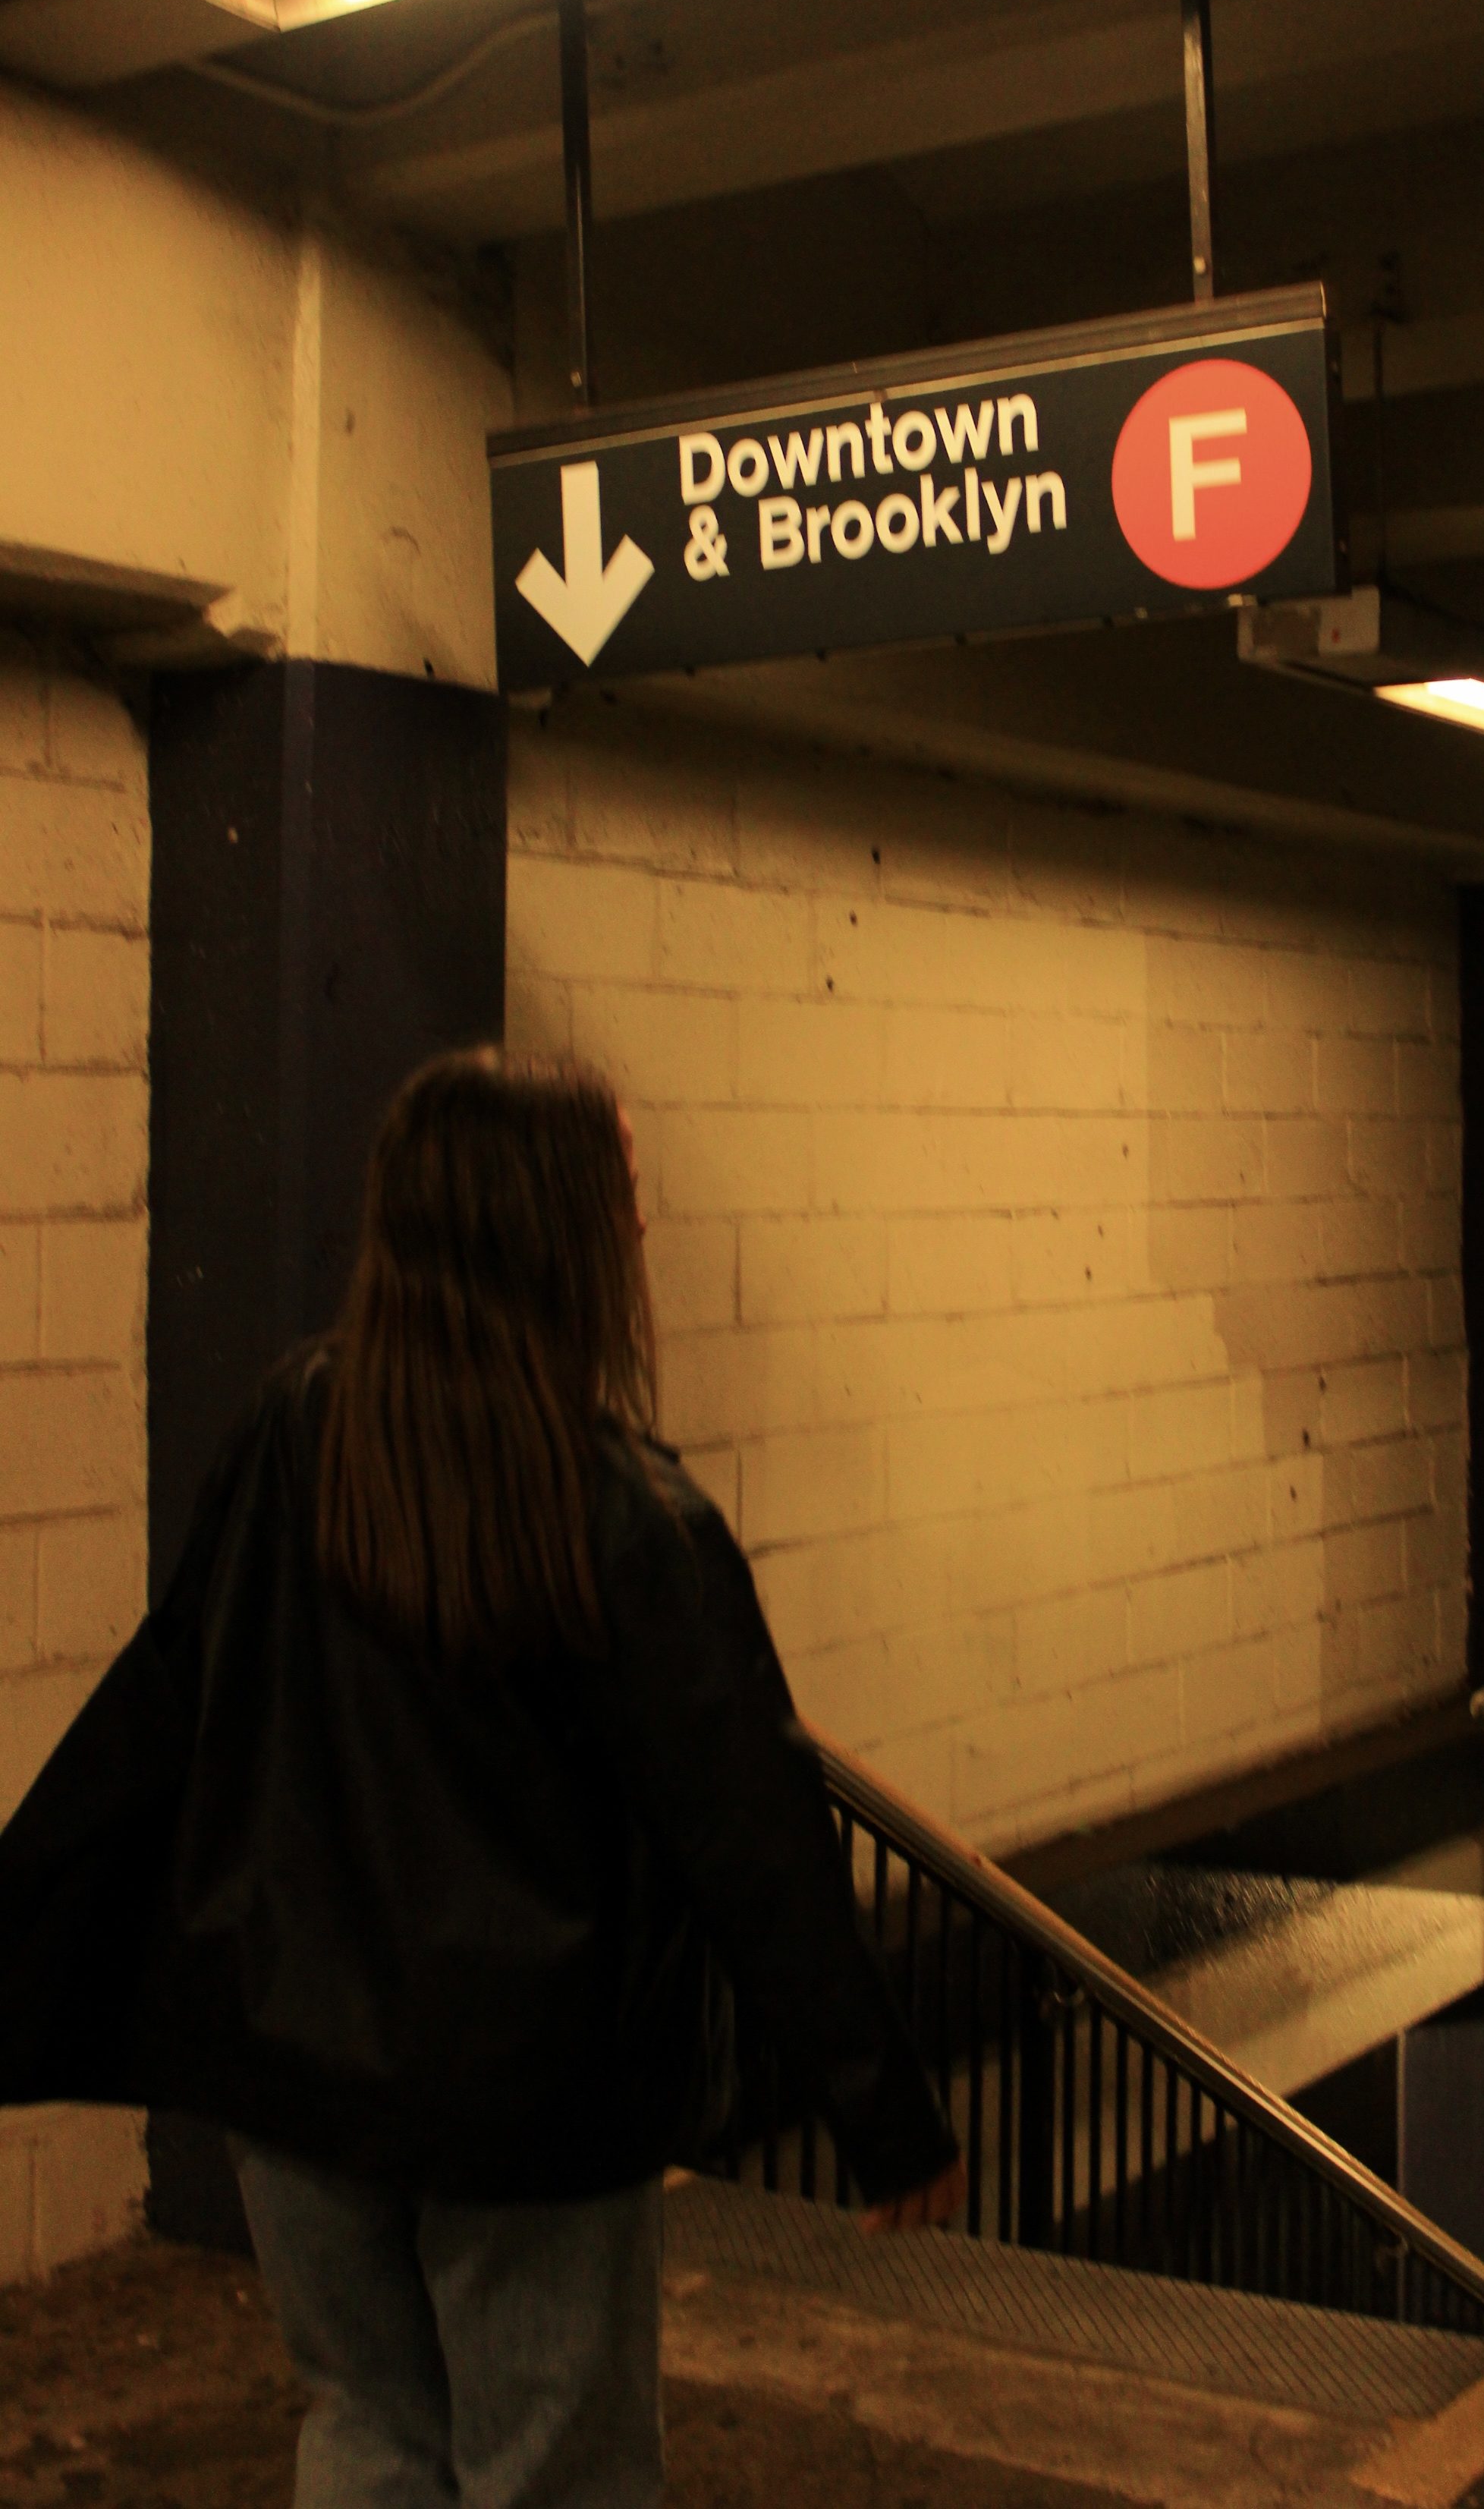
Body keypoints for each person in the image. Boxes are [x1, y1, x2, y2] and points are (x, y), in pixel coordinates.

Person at [0, 1048, 961, 2508]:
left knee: (366, 2429)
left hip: (293, 2070)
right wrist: (886, 2116)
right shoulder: (631, 1517)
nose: (642, 1220)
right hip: (532, 2103)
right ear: (554, 1226)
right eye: (622, 1189)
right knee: (554, 2469)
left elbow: (165, 1704)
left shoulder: (293, 1433)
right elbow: (752, 1835)